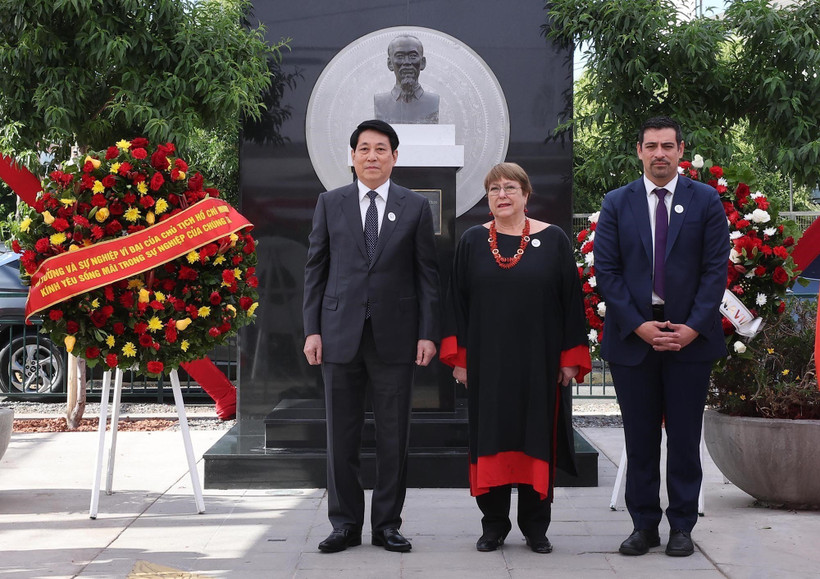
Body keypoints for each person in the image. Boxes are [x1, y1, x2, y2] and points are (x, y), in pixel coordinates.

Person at [302, 119, 441, 554]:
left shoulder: (415, 207)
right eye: (364, 149)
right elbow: (315, 270)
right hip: (339, 335)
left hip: (396, 339)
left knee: (392, 436)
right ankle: (344, 524)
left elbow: (427, 277)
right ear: (353, 156)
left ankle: (387, 525)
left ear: (395, 157)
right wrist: (312, 330)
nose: (372, 156)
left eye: (381, 149)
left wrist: (427, 334)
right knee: (340, 436)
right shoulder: (331, 203)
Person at [593, 116, 729, 557]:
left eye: (667, 146)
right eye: (651, 146)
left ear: (680, 150)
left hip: (690, 337)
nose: (659, 154)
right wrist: (637, 324)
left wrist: (692, 328)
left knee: (686, 438)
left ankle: (683, 527)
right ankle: (644, 526)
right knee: (640, 436)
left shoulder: (706, 200)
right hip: (635, 337)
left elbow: (715, 271)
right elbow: (607, 272)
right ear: (638, 151)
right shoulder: (617, 202)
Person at [440, 162, 591, 554]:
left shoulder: (555, 239)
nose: (501, 196)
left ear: (526, 194)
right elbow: (456, 302)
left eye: (509, 188)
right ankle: (493, 525)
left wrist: (570, 358)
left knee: (535, 435)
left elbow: (571, 302)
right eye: (493, 190)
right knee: (491, 436)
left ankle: (535, 527)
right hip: (488, 364)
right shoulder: (473, 241)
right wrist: (460, 359)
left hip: (539, 363)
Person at [374, 35, 440, 124]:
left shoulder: (433, 102)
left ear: (422, 63)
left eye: (413, 56)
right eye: (400, 56)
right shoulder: (380, 103)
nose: (407, 62)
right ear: (390, 64)